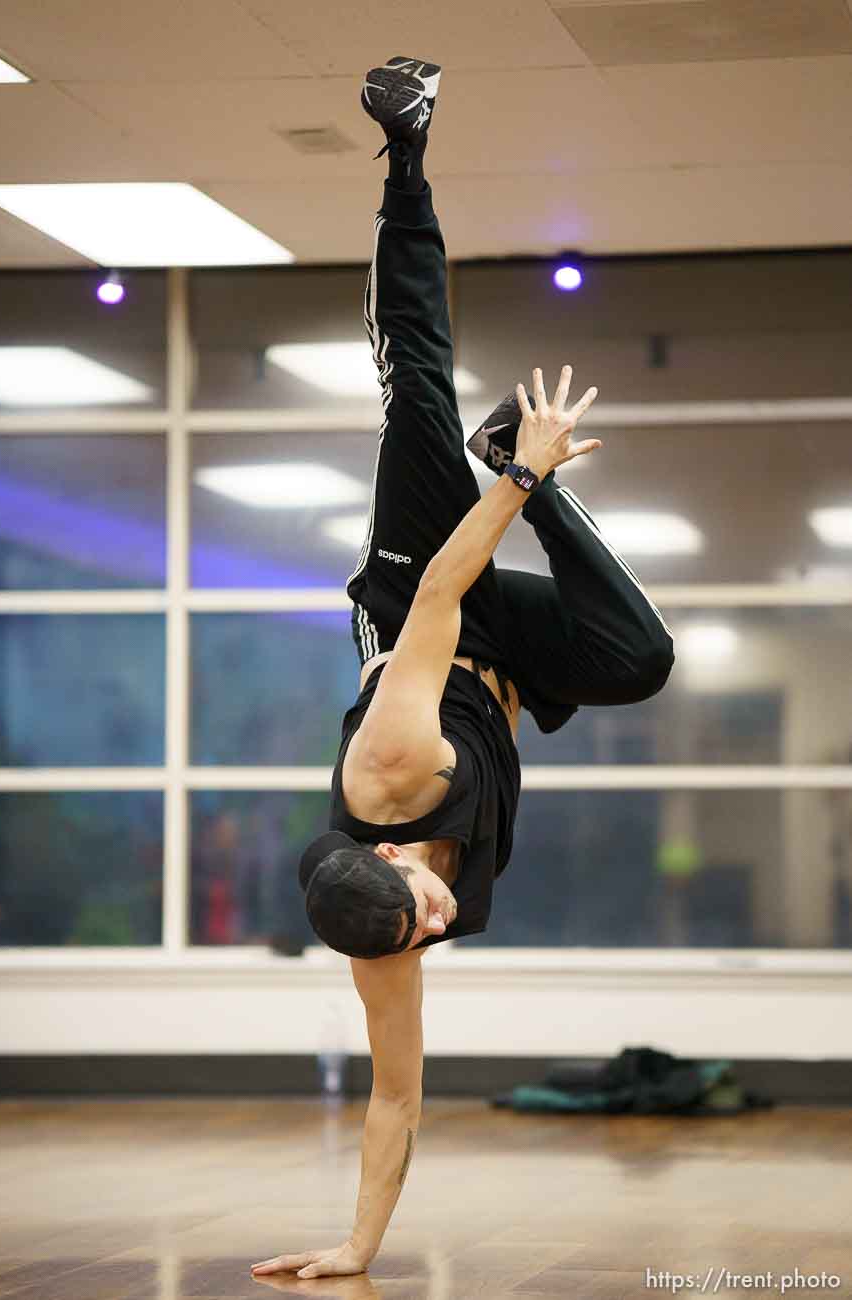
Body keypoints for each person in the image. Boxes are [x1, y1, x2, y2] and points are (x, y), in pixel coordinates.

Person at [251, 55, 674, 1282]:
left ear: (390, 856)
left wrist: (519, 482)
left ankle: (407, 147)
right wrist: (355, 1247)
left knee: (413, 390)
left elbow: (440, 593)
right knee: (636, 659)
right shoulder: (378, 931)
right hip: (490, 661)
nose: (437, 931)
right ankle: (514, 462)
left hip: (421, 587)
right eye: (425, 929)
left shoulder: (388, 770)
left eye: (428, 916)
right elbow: (394, 1097)